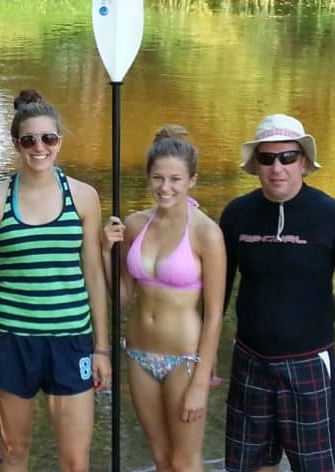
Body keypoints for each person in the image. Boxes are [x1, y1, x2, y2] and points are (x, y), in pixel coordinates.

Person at [220, 113, 335, 472]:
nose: (277, 167)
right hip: (249, 360)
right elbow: (219, 291)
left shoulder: (333, 216)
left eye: (287, 157)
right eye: (267, 159)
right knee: (248, 465)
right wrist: (199, 353)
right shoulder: (236, 215)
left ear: (304, 163)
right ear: (256, 165)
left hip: (309, 364)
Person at [0, 89, 112, 472]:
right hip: (13, 339)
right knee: (14, 453)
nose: (39, 147)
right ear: (16, 144)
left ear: (60, 140)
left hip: (71, 338)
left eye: (48, 138)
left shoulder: (83, 197)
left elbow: (94, 275)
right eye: (29, 139)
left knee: (76, 461)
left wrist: (102, 348)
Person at [102, 125, 227, 472]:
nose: (165, 187)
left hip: (183, 360)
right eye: (158, 178)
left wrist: (201, 382)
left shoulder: (207, 233)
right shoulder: (134, 225)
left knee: (184, 461)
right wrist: (105, 251)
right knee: (160, 459)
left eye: (175, 179)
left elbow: (215, 314)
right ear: (149, 178)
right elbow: (122, 298)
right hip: (139, 353)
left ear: (192, 181)